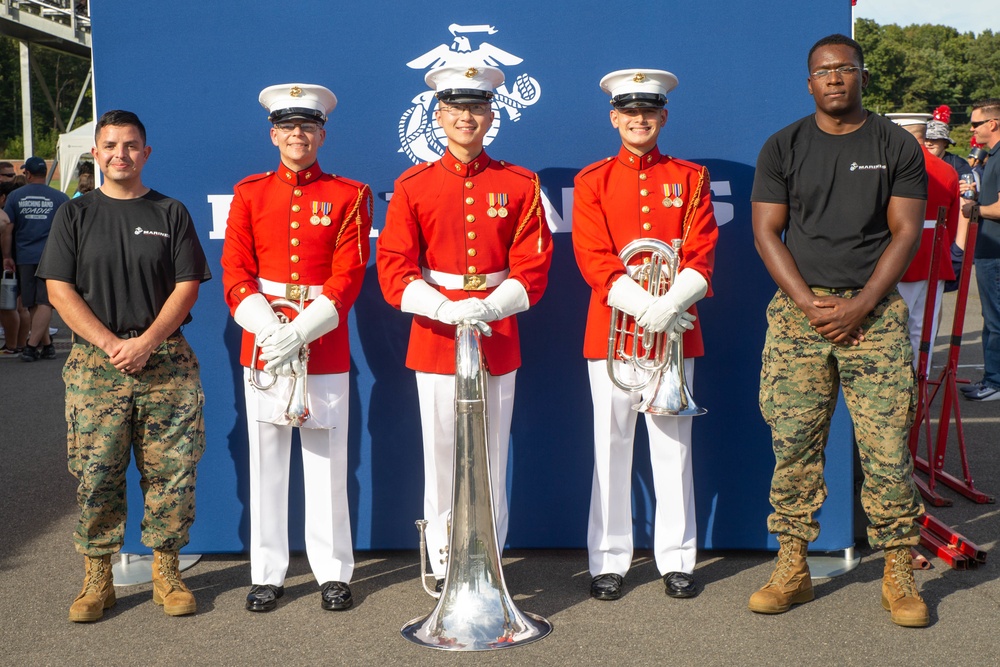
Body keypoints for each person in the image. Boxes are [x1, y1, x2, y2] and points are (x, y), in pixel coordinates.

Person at [749, 34, 929, 628]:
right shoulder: (784, 146)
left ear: (861, 77)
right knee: (794, 444)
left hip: (873, 318)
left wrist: (860, 306)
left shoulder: (897, 145)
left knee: (885, 449)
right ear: (810, 82)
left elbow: (905, 232)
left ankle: (899, 572)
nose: (834, 79)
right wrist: (809, 305)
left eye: (845, 70)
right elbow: (767, 232)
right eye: (823, 71)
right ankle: (793, 568)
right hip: (799, 318)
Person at [376, 64, 553, 590]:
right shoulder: (412, 184)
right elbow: (394, 268)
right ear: (439, 114)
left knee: (491, 456)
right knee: (441, 455)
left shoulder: (519, 183)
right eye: (455, 108)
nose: (466, 117)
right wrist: (447, 308)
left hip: (496, 335)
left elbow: (534, 266)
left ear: (491, 114)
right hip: (436, 336)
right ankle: (444, 566)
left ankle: (488, 570)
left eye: (476, 107)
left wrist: (488, 308)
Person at [36, 109, 212, 622]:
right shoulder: (74, 214)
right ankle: (98, 579)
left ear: (146, 152)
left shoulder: (169, 212)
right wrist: (112, 343)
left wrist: (147, 341)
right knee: (96, 475)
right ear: (96, 152)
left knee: (172, 474)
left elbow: (187, 286)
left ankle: (167, 573)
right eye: (110, 145)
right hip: (96, 366)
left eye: (131, 145)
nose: (121, 154)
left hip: (166, 364)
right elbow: (58, 289)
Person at [222, 83, 372, 613]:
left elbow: (348, 274)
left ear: (322, 134)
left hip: (322, 343)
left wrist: (302, 329)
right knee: (266, 463)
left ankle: (333, 572)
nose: (297, 135)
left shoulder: (349, 194)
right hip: (264, 344)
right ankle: (268, 573)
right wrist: (270, 330)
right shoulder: (249, 193)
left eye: (307, 126)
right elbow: (236, 272)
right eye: (288, 126)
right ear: (273, 134)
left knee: (328, 463)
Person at [571, 69, 717, 601]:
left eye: (649, 112)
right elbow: (593, 258)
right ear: (614, 118)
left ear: (663, 117)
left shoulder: (691, 177)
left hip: (674, 333)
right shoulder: (593, 181)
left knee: (673, 449)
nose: (639, 121)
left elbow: (701, 251)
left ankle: (677, 559)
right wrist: (646, 306)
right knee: (610, 448)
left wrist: (670, 304)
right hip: (611, 332)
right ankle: (609, 559)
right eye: (629, 113)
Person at [885, 113, 959, 373]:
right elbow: (951, 221)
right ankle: (921, 378)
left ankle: (901, 384)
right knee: (923, 326)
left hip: (901, 252)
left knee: (895, 326)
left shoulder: (894, 164)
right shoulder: (947, 169)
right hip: (935, 253)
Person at [2, 156, 69, 361]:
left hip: (24, 256)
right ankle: (47, 345)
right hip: (52, 256)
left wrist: (7, 256)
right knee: (38, 303)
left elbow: (8, 229)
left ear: (28, 174)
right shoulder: (60, 198)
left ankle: (31, 346)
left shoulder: (15, 197)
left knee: (40, 302)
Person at [961, 99, 1000, 401]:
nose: (972, 129)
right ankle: (991, 378)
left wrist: (975, 208)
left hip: (995, 252)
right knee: (991, 319)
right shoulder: (991, 157)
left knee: (996, 320)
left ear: (993, 123)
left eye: (975, 124)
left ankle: (995, 382)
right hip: (988, 249)